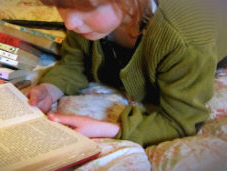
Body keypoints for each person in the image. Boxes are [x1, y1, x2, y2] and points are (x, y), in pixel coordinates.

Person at [26, 0, 227, 147]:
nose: (69, 24)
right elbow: (74, 62)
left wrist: (110, 130)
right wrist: (50, 89)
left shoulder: (185, 39)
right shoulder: (85, 25)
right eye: (61, 5)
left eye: (86, 8)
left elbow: (182, 121)